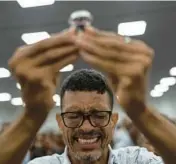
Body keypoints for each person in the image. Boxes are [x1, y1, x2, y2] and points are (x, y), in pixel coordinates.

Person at [0, 26, 176, 164]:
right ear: (61, 123)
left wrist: (141, 111)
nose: (86, 127)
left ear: (113, 121)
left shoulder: (136, 160)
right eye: (74, 116)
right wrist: (31, 117)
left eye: (98, 115)